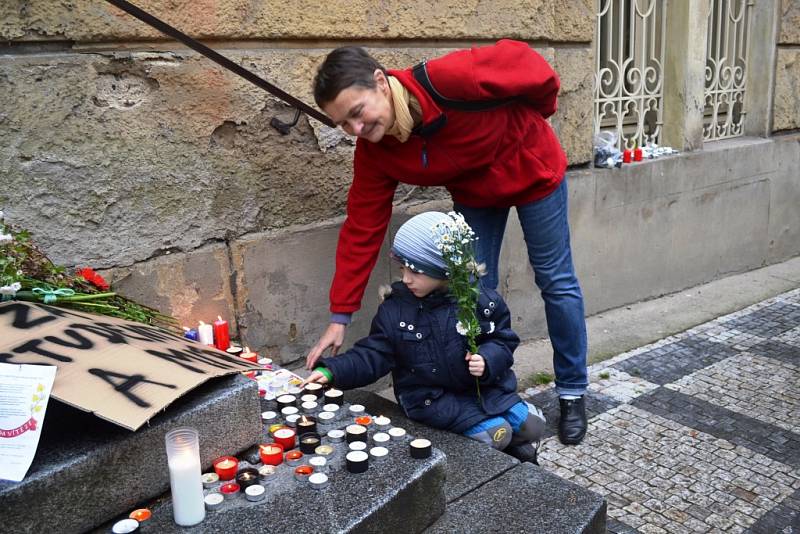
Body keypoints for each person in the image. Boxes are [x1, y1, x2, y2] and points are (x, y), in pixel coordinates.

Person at [306, 39, 588, 445]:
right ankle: (484, 394)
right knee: (467, 292)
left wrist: (533, 119)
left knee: (556, 279)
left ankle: (572, 391)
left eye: (357, 113)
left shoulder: (451, 79)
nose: (356, 131)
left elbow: (532, 68)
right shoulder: (376, 152)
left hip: (532, 171)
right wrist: (340, 317)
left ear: (381, 83)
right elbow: (362, 227)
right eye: (343, 125)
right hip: (476, 193)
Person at [303, 211, 546, 462]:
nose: (406, 278)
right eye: (403, 268)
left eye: (415, 271)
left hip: (486, 390)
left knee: (534, 425)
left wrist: (487, 359)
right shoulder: (395, 310)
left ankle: (514, 448)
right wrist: (333, 371)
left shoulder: (481, 300)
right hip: (434, 399)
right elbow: (372, 354)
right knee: (498, 433)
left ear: (444, 270)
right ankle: (503, 453)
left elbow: (503, 340)